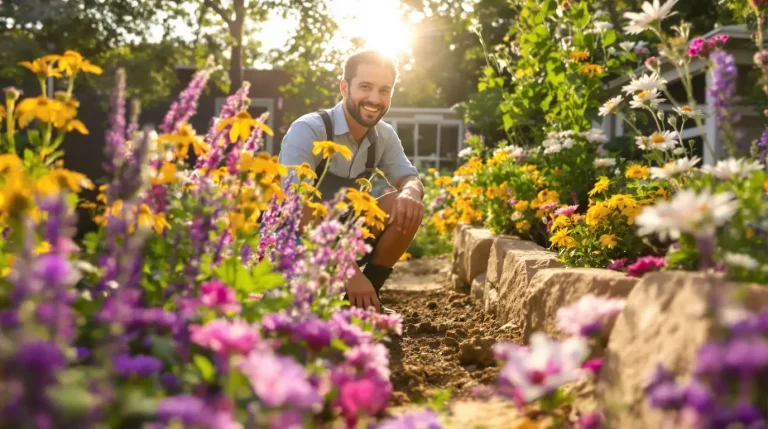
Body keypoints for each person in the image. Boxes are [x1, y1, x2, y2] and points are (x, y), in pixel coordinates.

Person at [278, 49, 425, 314]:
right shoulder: (309, 129)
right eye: (365, 87)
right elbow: (297, 208)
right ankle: (335, 295)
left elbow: (409, 177)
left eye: (384, 90)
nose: (374, 99)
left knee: (403, 205)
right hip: (298, 244)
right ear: (344, 87)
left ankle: (364, 301)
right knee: (301, 312)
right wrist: (348, 270)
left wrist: (410, 192)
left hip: (345, 238)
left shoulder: (383, 136)